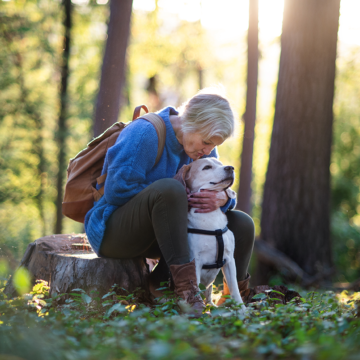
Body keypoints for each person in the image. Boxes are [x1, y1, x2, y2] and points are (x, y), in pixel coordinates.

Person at [84, 87, 255, 316]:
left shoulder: (201, 151)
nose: (208, 151)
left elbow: (217, 184)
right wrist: (175, 198)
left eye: (214, 145)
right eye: (206, 142)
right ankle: (185, 293)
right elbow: (116, 191)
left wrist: (223, 198)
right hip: (115, 231)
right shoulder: (145, 133)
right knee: (171, 189)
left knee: (241, 223)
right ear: (190, 122)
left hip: (165, 235)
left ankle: (235, 298)